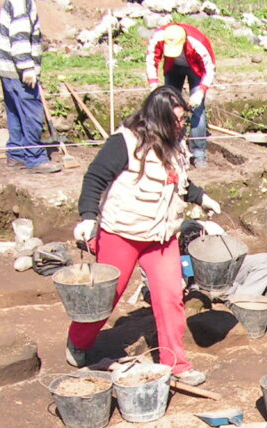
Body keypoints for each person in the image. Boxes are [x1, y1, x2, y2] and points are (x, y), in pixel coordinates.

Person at [68, 86, 222, 388]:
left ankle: (176, 364)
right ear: (159, 118)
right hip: (121, 235)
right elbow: (95, 177)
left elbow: (179, 183)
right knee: (105, 297)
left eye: (183, 120)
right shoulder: (125, 142)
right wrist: (88, 216)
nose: (181, 126)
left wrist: (201, 198)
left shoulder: (176, 146)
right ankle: (78, 341)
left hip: (160, 238)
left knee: (171, 298)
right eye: (176, 121)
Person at [0, 0, 60, 173]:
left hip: (7, 69)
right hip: (19, 71)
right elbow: (19, 35)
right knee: (31, 114)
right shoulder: (22, 2)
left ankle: (16, 155)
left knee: (15, 112)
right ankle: (35, 158)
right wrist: (27, 68)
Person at [145, 22, 216, 167]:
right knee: (168, 107)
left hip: (196, 68)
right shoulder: (159, 37)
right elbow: (151, 60)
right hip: (173, 67)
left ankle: (198, 154)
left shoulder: (198, 43)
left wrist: (200, 91)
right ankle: (171, 147)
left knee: (197, 109)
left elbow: (210, 68)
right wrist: (153, 85)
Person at [180, 219, 267, 305]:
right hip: (198, 286)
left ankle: (241, 301)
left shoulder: (213, 230)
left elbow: (234, 257)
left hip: (224, 276)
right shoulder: (171, 240)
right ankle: (232, 298)